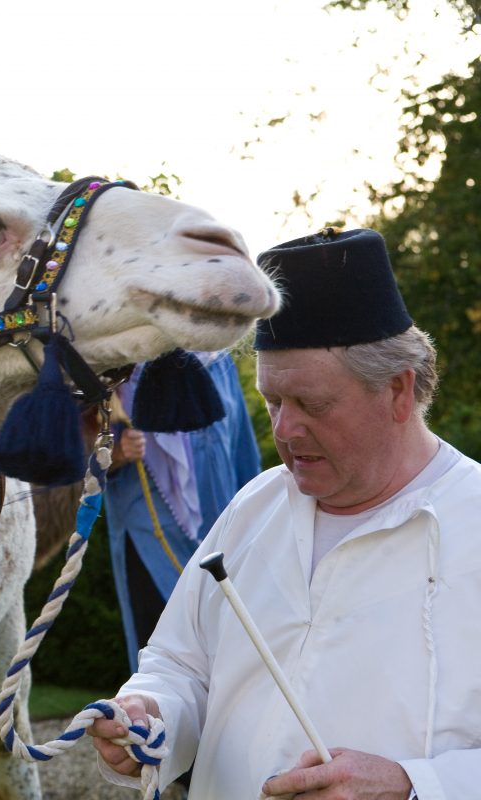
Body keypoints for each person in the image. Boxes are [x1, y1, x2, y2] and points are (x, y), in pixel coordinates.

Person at [89, 227, 481, 799]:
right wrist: (151, 715)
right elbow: (180, 665)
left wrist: (412, 785)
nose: (285, 429)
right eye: (272, 400)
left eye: (312, 404)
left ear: (399, 391)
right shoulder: (254, 506)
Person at [105, 351, 261, 672]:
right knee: (159, 657)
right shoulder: (117, 371)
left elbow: (243, 455)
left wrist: (259, 527)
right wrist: (117, 454)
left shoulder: (218, 363)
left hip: (225, 535)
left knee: (229, 654)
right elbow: (79, 459)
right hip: (150, 536)